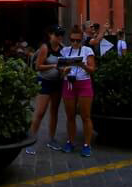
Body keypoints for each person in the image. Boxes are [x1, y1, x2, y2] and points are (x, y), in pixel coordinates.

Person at [26, 25, 65, 155]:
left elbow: (64, 65)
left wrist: (63, 70)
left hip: (57, 82)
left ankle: (52, 139)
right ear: (51, 35)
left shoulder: (63, 49)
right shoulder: (45, 48)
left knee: (54, 111)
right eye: (57, 34)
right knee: (40, 112)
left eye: (61, 35)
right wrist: (54, 65)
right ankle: (30, 140)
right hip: (44, 82)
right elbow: (38, 66)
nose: (59, 37)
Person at [60, 25, 96, 157]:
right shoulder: (65, 51)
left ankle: (87, 145)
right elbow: (60, 69)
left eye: (78, 40)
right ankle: (70, 141)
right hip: (68, 83)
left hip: (84, 83)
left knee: (85, 116)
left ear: (82, 40)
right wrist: (64, 71)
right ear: (69, 39)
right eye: (72, 40)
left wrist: (82, 65)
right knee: (70, 116)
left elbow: (92, 69)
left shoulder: (87, 50)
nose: (75, 43)